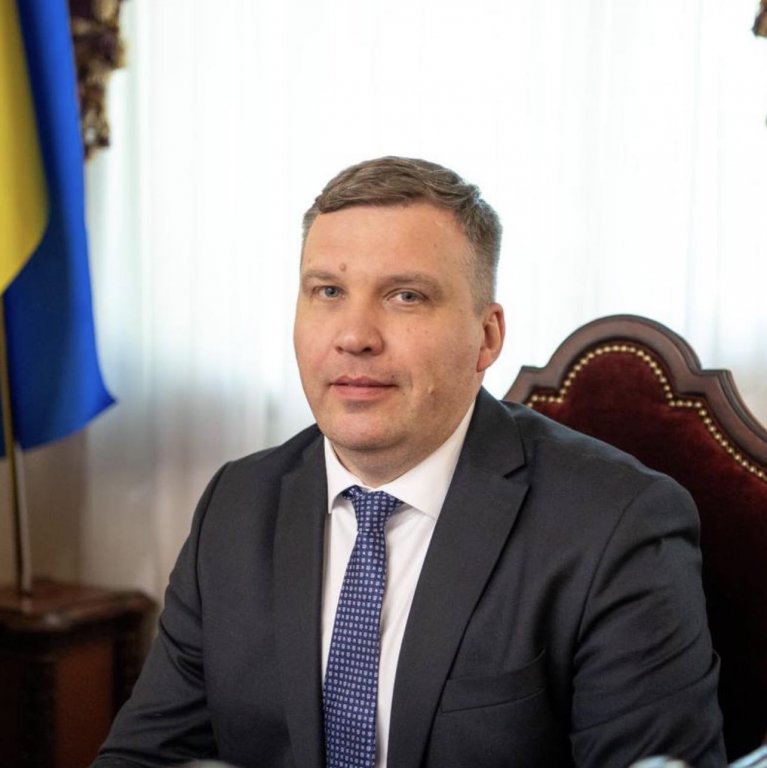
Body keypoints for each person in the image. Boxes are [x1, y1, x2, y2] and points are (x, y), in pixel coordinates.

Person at [93, 157, 725, 768]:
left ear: (486, 337)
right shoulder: (237, 503)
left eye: (405, 296)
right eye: (328, 291)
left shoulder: (615, 525)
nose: (354, 336)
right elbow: (149, 754)